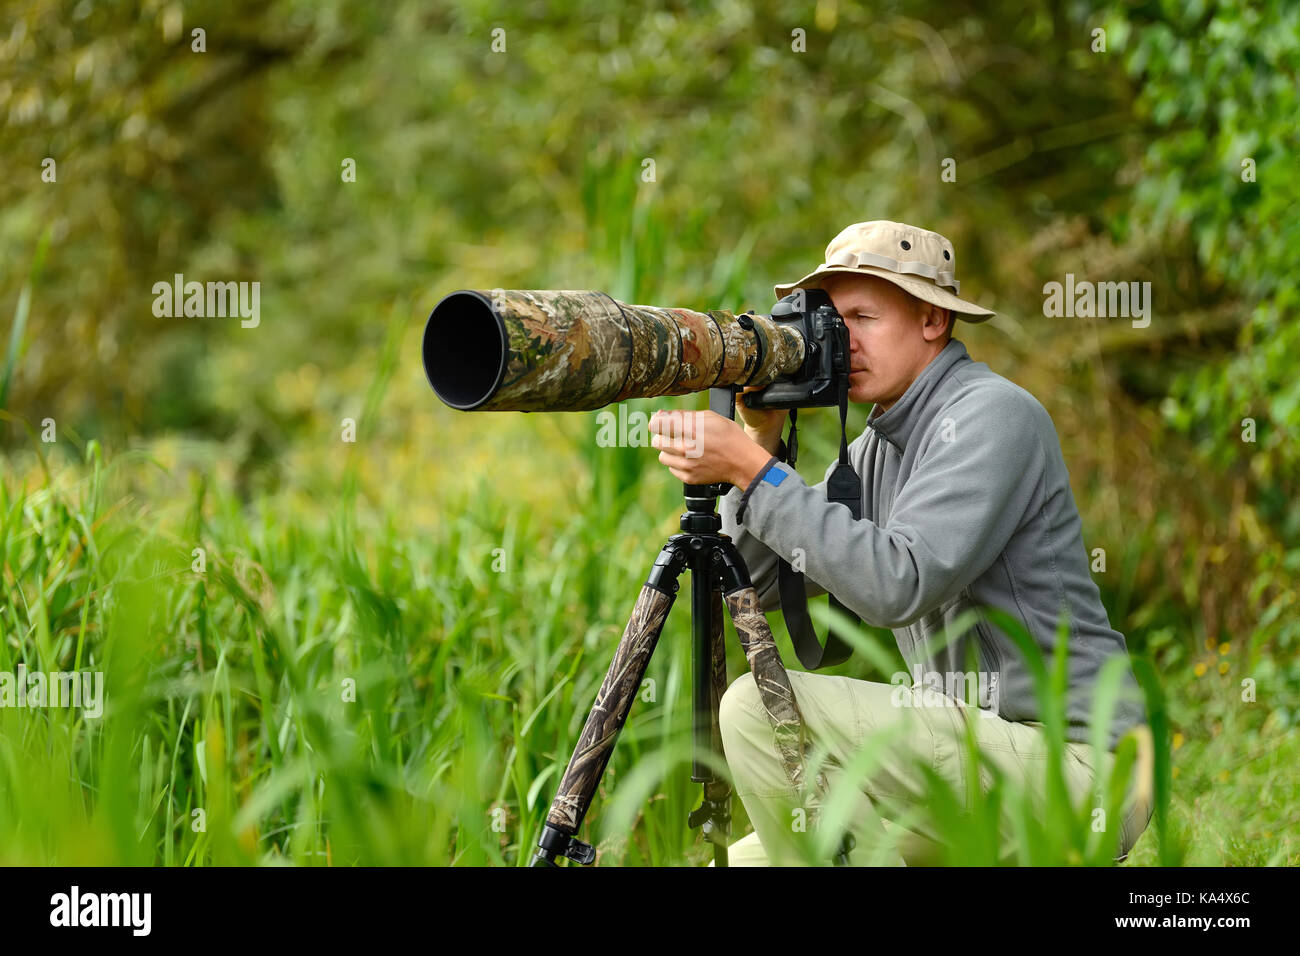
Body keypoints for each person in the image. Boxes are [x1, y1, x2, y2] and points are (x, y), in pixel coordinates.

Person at [647, 220, 1153, 866]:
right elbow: (762, 583)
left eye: (864, 316)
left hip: (1079, 768)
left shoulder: (992, 416)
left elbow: (897, 583)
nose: (843, 339)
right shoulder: (880, 447)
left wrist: (752, 470)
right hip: (981, 765)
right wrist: (764, 441)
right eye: (835, 320)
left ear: (933, 319)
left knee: (753, 707)